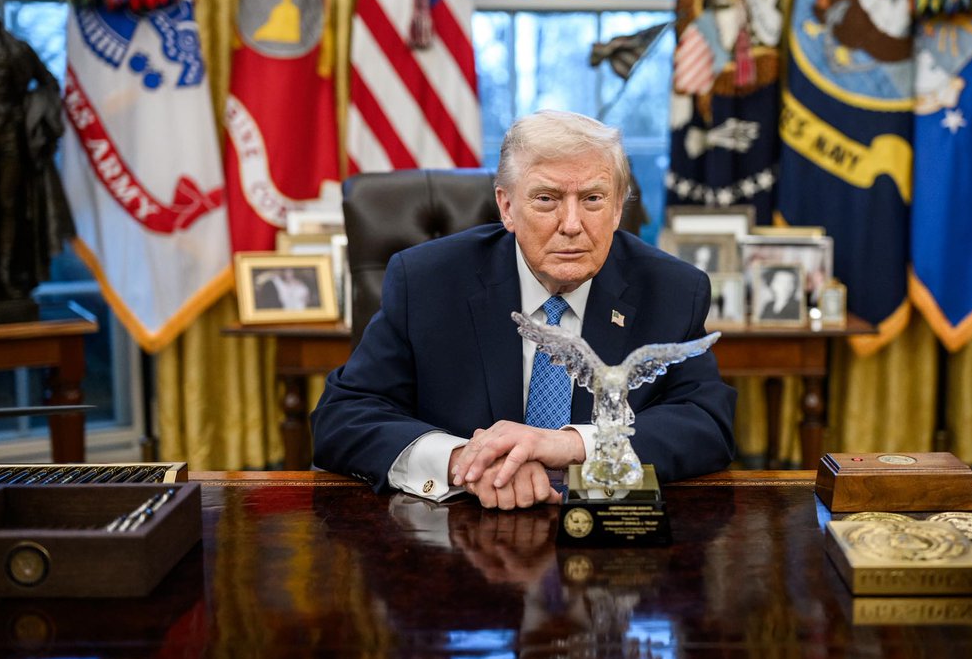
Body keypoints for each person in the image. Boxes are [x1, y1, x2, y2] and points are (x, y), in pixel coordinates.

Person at [312, 110, 736, 510]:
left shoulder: (672, 290)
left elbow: (707, 423)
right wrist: (464, 461)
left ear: (618, 208)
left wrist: (572, 445)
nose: (572, 224)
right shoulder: (427, 281)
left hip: (610, 537)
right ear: (507, 207)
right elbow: (343, 417)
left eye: (592, 198)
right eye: (547, 199)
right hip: (454, 535)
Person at [0, 0, 72, 303]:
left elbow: (49, 84)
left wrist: (32, 114)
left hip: (7, 133)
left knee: (9, 206)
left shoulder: (15, 48)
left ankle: (5, 274)